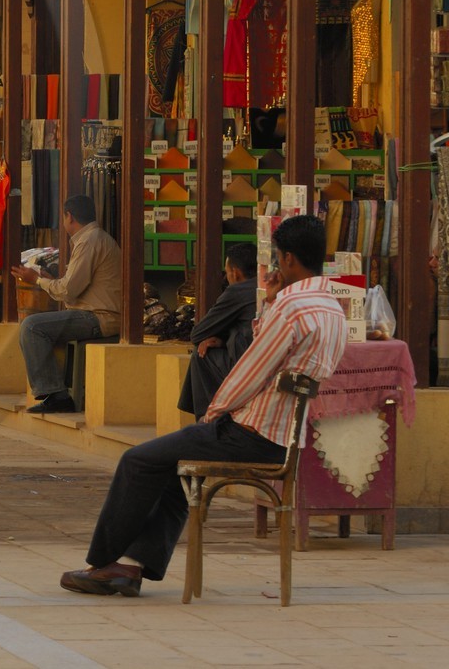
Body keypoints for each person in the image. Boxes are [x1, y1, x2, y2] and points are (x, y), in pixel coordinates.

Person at [59, 215, 346, 597]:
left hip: (252, 433)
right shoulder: (331, 307)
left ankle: (104, 563)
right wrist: (272, 301)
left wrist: (214, 414)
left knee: (138, 460)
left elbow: (250, 372)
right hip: (284, 437)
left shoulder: (293, 309)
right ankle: (130, 565)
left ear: (289, 259)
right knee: (177, 472)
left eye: (278, 259)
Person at [10, 194, 123, 414]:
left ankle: (56, 395)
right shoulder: (92, 239)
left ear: (69, 217)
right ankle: (56, 392)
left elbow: (68, 290)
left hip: (100, 316)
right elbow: (71, 289)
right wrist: (45, 278)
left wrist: (38, 280)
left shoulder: (90, 241)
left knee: (32, 327)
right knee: (35, 325)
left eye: (63, 217)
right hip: (93, 312)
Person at [177, 243, 260, 420]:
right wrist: (222, 340)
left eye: (227, 272)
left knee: (201, 355)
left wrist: (220, 336)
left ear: (235, 273)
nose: (226, 277)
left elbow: (197, 334)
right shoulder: (264, 285)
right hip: (259, 358)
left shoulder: (238, 291)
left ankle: (206, 418)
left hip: (247, 364)